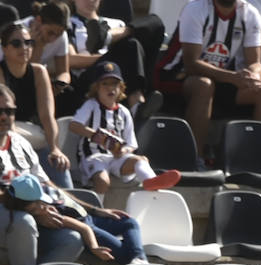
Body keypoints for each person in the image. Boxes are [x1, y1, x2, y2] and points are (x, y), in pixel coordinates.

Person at [0, 83, 81, 265]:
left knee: (71, 240)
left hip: (29, 209)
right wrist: (31, 207)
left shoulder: (21, 143)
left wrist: (45, 205)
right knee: (23, 222)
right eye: (0, 111)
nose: (5, 116)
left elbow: (44, 182)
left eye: (10, 111)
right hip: (10, 210)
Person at [172, 0, 261, 157]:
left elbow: (255, 62)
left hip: (222, 79)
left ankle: (260, 160)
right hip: (178, 77)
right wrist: (232, 77)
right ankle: (194, 159)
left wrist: (254, 76)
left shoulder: (249, 13)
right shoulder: (195, 8)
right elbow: (191, 64)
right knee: (204, 85)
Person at [69, 61, 180, 193]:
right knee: (103, 180)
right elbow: (74, 125)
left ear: (121, 87)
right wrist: (94, 135)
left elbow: (131, 143)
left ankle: (152, 182)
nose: (110, 88)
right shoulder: (91, 105)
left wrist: (123, 151)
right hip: (93, 157)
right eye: (105, 84)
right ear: (96, 87)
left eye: (115, 84)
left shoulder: (124, 112)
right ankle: (99, 210)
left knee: (141, 160)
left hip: (116, 158)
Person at [8, 170, 145, 264]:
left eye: (41, 201)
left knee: (129, 221)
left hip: (90, 218)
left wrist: (97, 210)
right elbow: (84, 228)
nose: (42, 207)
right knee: (125, 254)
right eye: (34, 208)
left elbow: (71, 201)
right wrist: (94, 247)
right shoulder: (49, 215)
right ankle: (139, 262)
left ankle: (139, 258)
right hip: (89, 231)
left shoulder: (46, 191)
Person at [63, 0, 164, 118]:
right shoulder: (68, 24)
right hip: (90, 77)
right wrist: (113, 56)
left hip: (121, 78)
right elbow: (71, 60)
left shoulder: (117, 24)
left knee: (154, 23)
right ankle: (136, 103)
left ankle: (105, 37)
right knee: (130, 46)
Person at [1, 21, 67, 181]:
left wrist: (55, 149)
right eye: (16, 43)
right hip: (8, 135)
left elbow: (47, 116)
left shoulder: (39, 71)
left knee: (59, 164)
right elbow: (3, 118)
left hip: (34, 135)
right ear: (4, 48)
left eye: (28, 42)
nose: (24, 47)